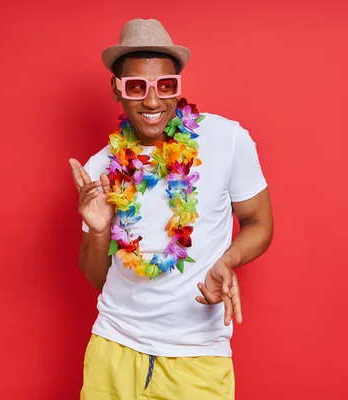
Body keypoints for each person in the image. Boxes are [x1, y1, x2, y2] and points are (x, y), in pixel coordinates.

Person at [69, 18, 274, 399]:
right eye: (136, 86)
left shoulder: (227, 140)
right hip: (113, 349)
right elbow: (98, 279)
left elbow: (260, 222)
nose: (152, 101)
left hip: (197, 357)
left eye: (165, 86)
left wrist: (227, 260)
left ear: (179, 87)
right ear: (117, 90)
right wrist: (99, 230)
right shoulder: (101, 168)